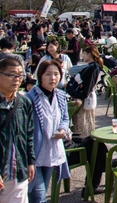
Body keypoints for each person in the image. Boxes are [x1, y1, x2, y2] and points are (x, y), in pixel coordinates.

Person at [27, 60, 70, 203]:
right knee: (38, 197)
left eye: (56, 74)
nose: (53, 78)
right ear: (40, 76)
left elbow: (65, 118)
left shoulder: (60, 96)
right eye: (48, 74)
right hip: (34, 154)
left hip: (52, 152)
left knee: (42, 192)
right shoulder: (30, 97)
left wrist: (63, 129)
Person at [0, 57, 35, 202]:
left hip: (18, 170)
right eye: (12, 75)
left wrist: (30, 162)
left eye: (20, 75)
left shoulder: (24, 102)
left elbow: (29, 134)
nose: (17, 79)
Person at [71, 46, 103, 138]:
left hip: (84, 99)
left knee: (83, 126)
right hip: (85, 97)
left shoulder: (93, 67)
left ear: (89, 54)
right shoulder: (91, 66)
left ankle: (84, 144)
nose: (83, 56)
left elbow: (87, 87)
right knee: (84, 124)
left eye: (84, 53)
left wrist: (80, 96)